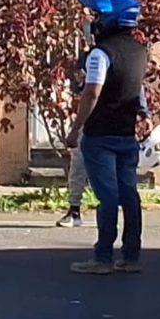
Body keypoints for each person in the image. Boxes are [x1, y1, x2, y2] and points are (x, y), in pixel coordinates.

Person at [67, 0, 153, 275]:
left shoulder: (100, 55)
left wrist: (76, 128)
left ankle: (102, 257)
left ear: (109, 20)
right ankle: (131, 256)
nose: (93, 23)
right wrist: (144, 115)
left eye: (97, 17)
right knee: (129, 195)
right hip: (126, 135)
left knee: (109, 196)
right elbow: (137, 88)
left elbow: (92, 93)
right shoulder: (140, 52)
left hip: (100, 135)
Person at [57, 51, 91, 228]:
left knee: (111, 166)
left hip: (109, 118)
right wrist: (80, 80)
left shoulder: (119, 53)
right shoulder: (89, 56)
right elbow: (78, 88)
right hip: (89, 118)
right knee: (78, 163)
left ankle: (111, 211)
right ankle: (74, 210)